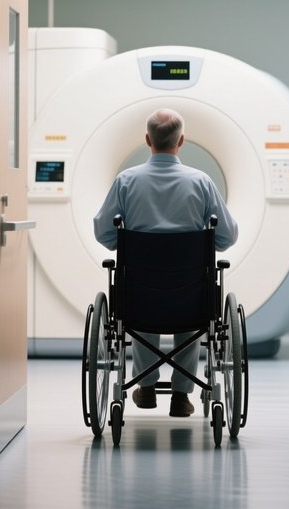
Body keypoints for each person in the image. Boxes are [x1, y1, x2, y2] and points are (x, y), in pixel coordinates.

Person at [93, 108, 238, 417]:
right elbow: (227, 237)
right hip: (191, 298)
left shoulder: (126, 181)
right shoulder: (201, 182)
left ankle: (144, 386)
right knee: (191, 304)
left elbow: (103, 232)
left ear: (148, 140)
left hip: (138, 298)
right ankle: (181, 394)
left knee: (143, 294)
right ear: (181, 141)